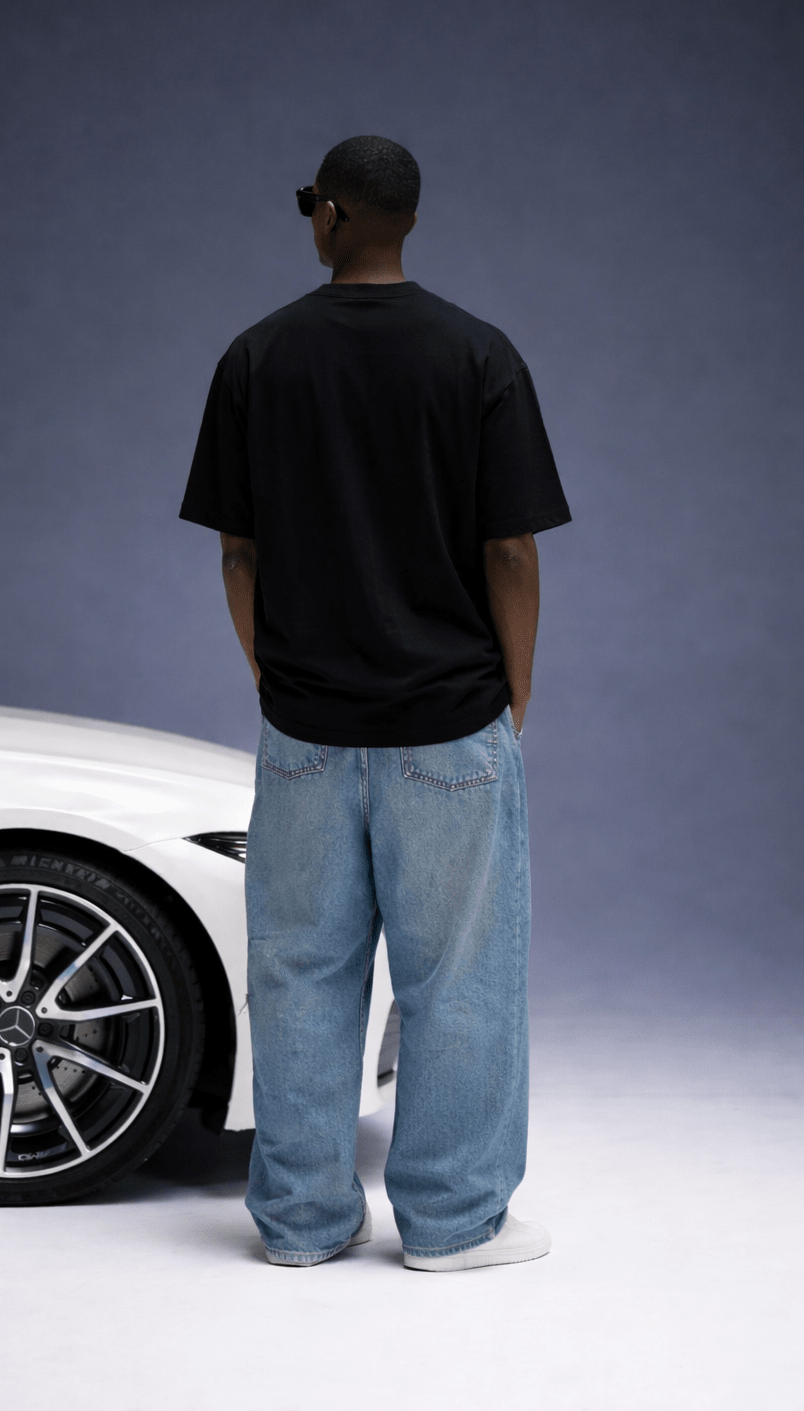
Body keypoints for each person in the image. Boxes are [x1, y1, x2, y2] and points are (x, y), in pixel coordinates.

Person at [179, 135, 571, 1271]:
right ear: (410, 218)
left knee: (298, 973)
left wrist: (271, 675)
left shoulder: (258, 357)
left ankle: (302, 1223)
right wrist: (516, 688)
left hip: (305, 728)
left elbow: (239, 552)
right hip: (448, 722)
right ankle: (453, 1224)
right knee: (461, 980)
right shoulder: (478, 355)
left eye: (310, 202)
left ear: (333, 214)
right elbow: (510, 550)